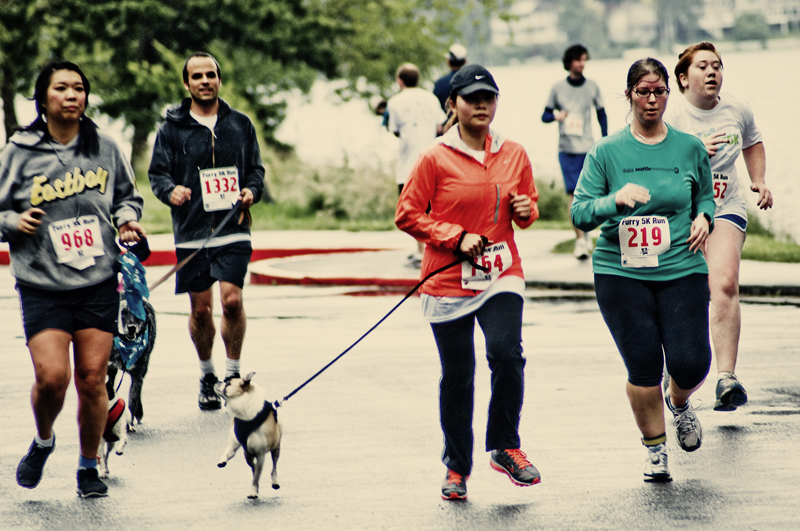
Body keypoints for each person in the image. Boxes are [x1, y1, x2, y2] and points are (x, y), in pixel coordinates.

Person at [0, 62, 146, 497]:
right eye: (61, 88)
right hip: (42, 281)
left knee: (91, 377)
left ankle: (87, 468)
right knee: (52, 378)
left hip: (97, 278)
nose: (72, 95)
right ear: (42, 98)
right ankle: (44, 440)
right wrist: (13, 221)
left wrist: (127, 222)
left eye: (79, 88)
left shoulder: (105, 147)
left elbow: (127, 198)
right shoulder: (20, 151)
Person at [396, 64, 541, 500]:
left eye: (489, 98)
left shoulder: (514, 152)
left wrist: (524, 209)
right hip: (448, 279)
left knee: (506, 354)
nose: (481, 105)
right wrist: (455, 237)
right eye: (472, 98)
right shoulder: (433, 157)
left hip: (501, 272)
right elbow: (408, 214)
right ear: (452, 105)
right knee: (458, 376)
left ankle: (505, 445)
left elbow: (530, 209)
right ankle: (457, 467)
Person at [571, 58, 716, 482]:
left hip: (681, 266)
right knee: (643, 362)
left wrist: (705, 218)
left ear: (669, 93)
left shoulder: (688, 147)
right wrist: (613, 201)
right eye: (643, 92)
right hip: (621, 272)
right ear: (630, 94)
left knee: (692, 363)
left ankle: (680, 401)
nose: (652, 100)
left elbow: (705, 196)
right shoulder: (606, 151)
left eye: (659, 92)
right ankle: (655, 451)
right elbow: (580, 213)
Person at [148, 52, 265, 410]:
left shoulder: (240, 124)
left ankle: (233, 373)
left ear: (218, 79)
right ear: (187, 84)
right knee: (201, 310)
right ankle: (207, 374)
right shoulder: (170, 129)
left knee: (232, 300)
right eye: (196, 76)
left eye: (210, 74)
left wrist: (251, 192)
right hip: (193, 230)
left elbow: (256, 171)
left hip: (233, 227)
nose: (204, 81)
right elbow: (157, 175)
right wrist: (171, 191)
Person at [665, 42, 773, 412]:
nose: (712, 72)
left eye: (717, 66)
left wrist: (757, 179)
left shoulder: (736, 109)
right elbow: (651, 155)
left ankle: (727, 378)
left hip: (726, 206)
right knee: (688, 294)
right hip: (680, 214)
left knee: (724, 282)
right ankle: (677, 370)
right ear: (683, 78)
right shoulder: (671, 114)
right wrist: (692, 150)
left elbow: (753, 141)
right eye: (703, 67)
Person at [542, 44, 608, 259]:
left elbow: (601, 114)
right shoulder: (557, 88)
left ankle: (586, 232)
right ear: (569, 62)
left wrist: (605, 141)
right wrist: (556, 116)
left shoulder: (592, 87)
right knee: (572, 194)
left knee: (588, 194)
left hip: (588, 148)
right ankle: (580, 240)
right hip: (567, 149)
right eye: (578, 59)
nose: (582, 63)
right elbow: (544, 116)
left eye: (584, 59)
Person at [387, 63, 446, 268]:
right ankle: (429, 250)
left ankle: (421, 252)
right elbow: (441, 126)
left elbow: (393, 129)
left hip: (408, 163)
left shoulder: (394, 102)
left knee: (413, 210)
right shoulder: (430, 98)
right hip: (432, 159)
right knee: (432, 207)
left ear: (399, 81)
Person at [433, 44, 468, 111]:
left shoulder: (439, 84)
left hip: (445, 120)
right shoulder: (471, 82)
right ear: (465, 61)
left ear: (448, 61)